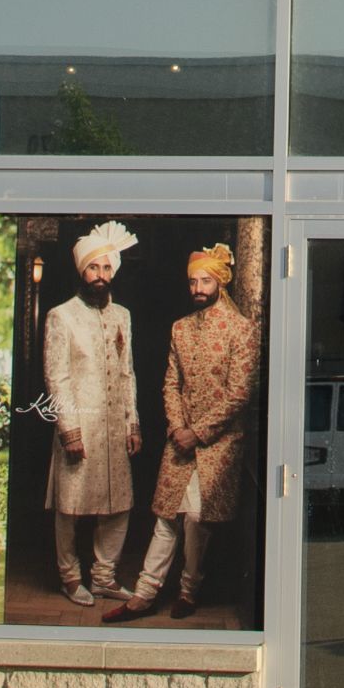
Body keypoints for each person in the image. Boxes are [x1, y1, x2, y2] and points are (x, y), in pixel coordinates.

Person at [112, 240, 257, 620]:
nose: (198, 289)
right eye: (193, 281)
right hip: (180, 440)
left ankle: (189, 590)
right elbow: (170, 383)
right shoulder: (181, 328)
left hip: (219, 443)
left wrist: (199, 432)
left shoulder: (241, 330)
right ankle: (144, 595)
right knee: (166, 514)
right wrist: (178, 426)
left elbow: (240, 393)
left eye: (205, 281)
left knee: (195, 517)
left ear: (220, 282)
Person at [41, 220, 144, 607]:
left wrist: (133, 423)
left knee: (119, 504)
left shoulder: (123, 315)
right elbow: (57, 376)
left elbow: (127, 372)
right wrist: (69, 429)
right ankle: (70, 578)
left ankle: (104, 577)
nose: (100, 275)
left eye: (106, 268)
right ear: (81, 271)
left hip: (114, 429)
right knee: (69, 507)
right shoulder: (61, 315)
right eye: (93, 268)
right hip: (79, 426)